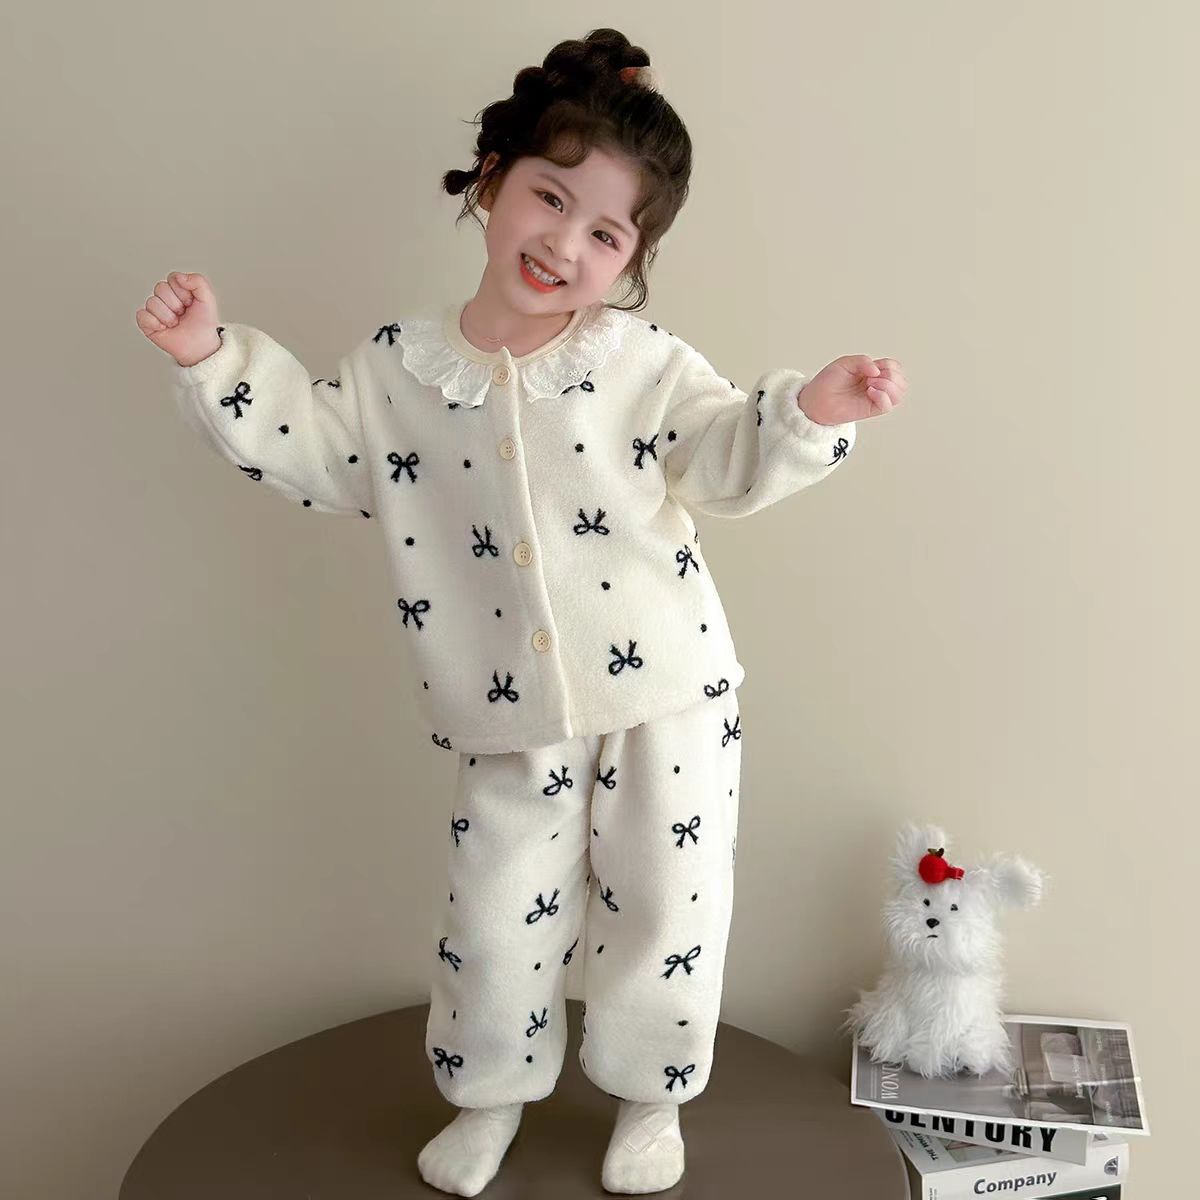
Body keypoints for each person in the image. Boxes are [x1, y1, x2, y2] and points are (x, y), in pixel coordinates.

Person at [134, 26, 906, 1198]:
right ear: (492, 180)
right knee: (496, 926)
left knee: (666, 913)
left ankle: (651, 1100)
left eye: (606, 234)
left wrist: (811, 410)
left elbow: (723, 456)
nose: (565, 243)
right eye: (551, 197)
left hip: (671, 696)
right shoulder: (397, 371)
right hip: (503, 712)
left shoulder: (640, 361)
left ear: (632, 259)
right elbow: (315, 448)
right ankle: (489, 1097)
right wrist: (210, 357)